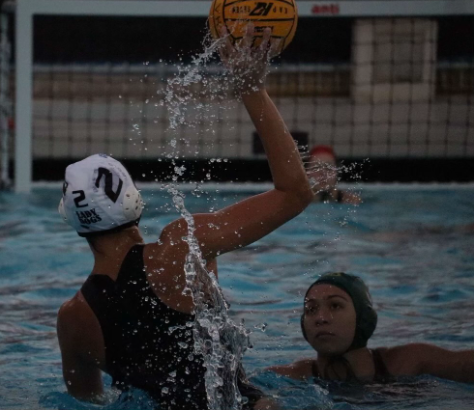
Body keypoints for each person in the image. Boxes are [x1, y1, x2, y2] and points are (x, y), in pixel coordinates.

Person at [56, 26, 313, 410]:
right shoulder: (181, 247)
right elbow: (295, 193)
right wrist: (251, 88)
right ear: (134, 201)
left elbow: (90, 401)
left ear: (74, 222)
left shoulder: (73, 317)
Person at [267, 272, 474, 384]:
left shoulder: (409, 362)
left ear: (364, 318)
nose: (321, 318)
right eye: (311, 309)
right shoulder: (291, 377)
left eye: (335, 306)